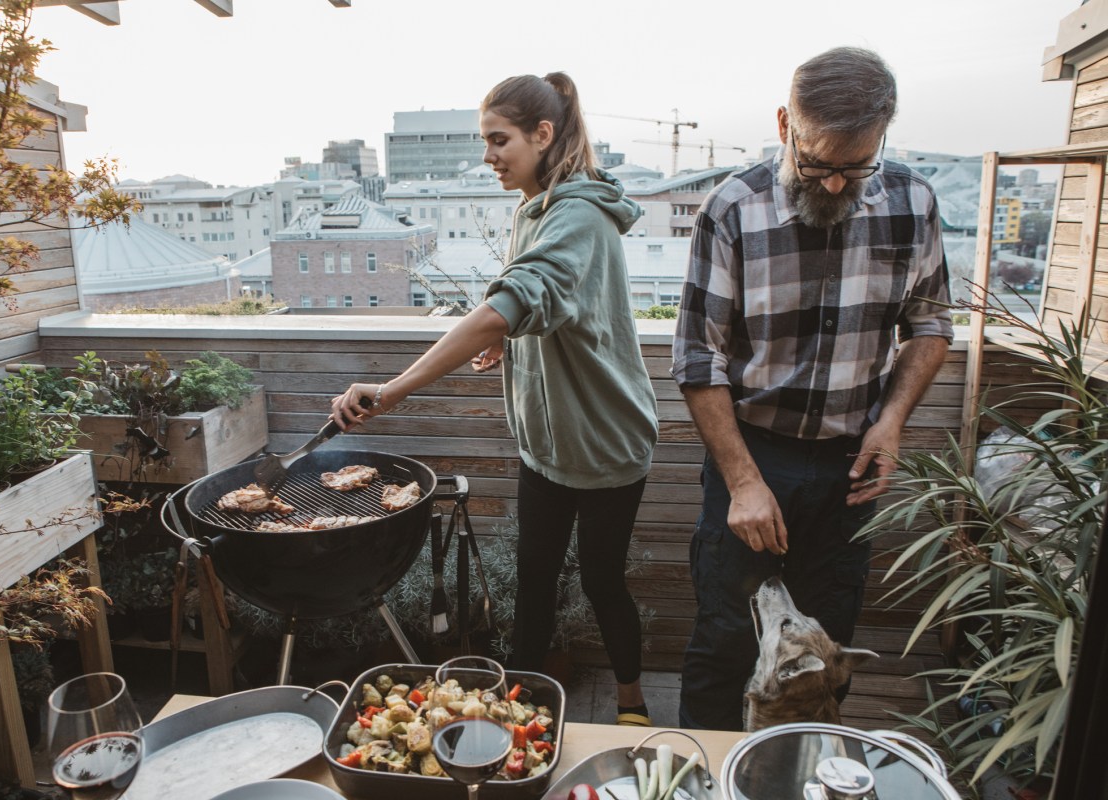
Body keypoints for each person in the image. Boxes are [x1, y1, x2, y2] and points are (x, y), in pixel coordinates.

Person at [331, 72, 660, 726]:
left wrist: (391, 391)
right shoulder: (532, 210)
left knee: (601, 583)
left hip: (604, 441)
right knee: (534, 582)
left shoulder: (578, 216)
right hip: (546, 446)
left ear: (543, 134)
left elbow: (510, 301)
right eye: (485, 141)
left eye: (498, 140)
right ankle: (520, 716)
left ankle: (632, 703)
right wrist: (511, 342)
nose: (488, 156)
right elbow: (541, 304)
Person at [671, 46, 953, 731]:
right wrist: (743, 481)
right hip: (753, 454)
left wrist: (891, 421)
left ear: (883, 136)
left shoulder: (913, 202)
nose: (833, 184)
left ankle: (796, 767)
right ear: (784, 126)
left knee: (826, 651)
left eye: (855, 167)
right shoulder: (732, 208)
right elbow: (698, 356)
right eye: (817, 162)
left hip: (851, 461)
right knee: (726, 642)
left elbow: (930, 323)